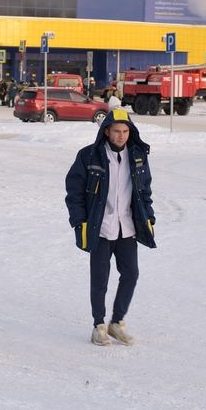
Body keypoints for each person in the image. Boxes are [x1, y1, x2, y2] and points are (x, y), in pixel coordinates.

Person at [65, 108, 156, 347]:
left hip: (127, 227)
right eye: (116, 131)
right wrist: (79, 222)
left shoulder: (137, 156)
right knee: (100, 279)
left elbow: (144, 190)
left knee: (131, 274)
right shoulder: (89, 156)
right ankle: (99, 326)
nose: (121, 136)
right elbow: (74, 192)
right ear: (106, 131)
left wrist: (149, 217)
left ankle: (117, 322)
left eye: (125, 131)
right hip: (101, 227)